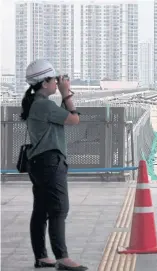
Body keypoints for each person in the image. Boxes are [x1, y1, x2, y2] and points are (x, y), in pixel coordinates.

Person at [20, 59, 88, 271]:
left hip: (39, 162)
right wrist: (66, 94)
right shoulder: (43, 105)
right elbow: (74, 119)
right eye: (53, 80)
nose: (56, 83)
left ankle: (42, 256)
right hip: (50, 162)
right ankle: (62, 258)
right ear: (44, 83)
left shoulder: (38, 103)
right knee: (59, 208)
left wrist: (62, 93)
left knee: (41, 210)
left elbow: (60, 118)